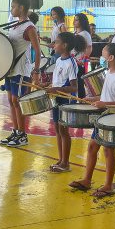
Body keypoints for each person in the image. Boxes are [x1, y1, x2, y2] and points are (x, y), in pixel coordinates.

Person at [69, 43, 115, 196]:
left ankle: (108, 185)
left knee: (108, 152)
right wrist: (93, 98)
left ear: (111, 58)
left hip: (112, 118)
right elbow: (106, 96)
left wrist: (104, 103)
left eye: (103, 54)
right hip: (103, 117)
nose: (101, 57)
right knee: (92, 148)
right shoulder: (109, 72)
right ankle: (87, 180)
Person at [0, 0, 42, 147]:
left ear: (21, 8)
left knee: (17, 101)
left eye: (13, 6)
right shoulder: (15, 24)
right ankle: (16, 131)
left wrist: (36, 71)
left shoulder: (29, 27)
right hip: (11, 68)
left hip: (22, 70)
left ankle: (23, 135)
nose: (12, 9)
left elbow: (37, 50)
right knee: (11, 101)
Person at [44, 32, 80, 172]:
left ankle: (66, 163)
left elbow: (74, 87)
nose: (54, 44)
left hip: (65, 99)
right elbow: (56, 80)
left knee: (64, 131)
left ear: (64, 45)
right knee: (57, 130)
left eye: (57, 42)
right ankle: (61, 159)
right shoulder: (58, 60)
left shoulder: (71, 63)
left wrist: (58, 89)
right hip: (56, 99)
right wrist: (48, 86)